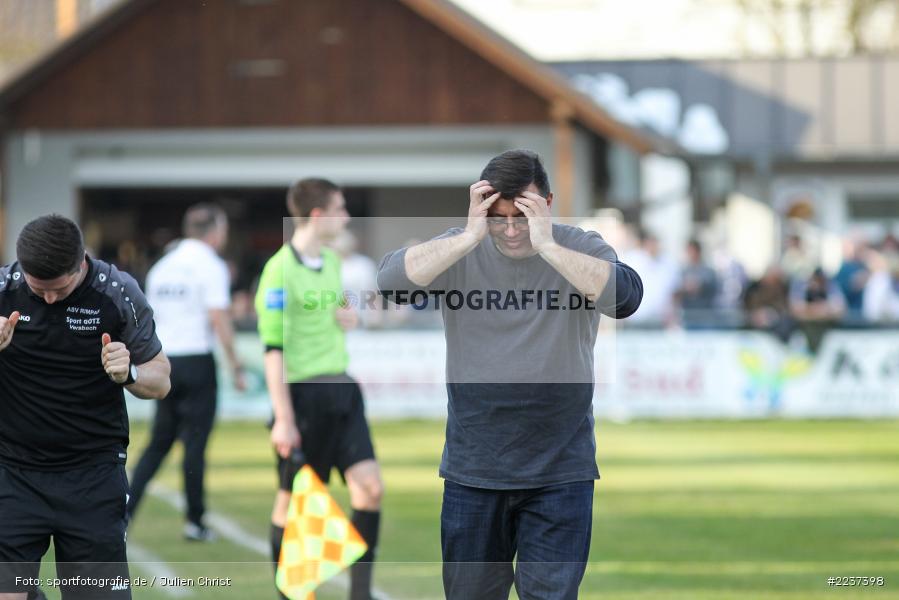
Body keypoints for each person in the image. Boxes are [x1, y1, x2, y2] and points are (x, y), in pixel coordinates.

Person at [377, 149, 643, 600]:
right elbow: (389, 284)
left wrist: (549, 246)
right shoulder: (459, 247)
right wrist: (468, 236)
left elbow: (626, 297)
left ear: (548, 202)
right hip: (474, 470)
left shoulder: (580, 246)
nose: (512, 229)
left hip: (561, 469)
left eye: (523, 214)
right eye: (499, 217)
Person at [0, 214, 171, 600]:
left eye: (58, 290)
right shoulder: (2, 290)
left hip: (92, 474)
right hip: (12, 471)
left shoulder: (117, 291)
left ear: (81, 264)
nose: (48, 299)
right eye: (37, 288)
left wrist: (129, 374)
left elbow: (161, 380)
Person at [255, 179, 383, 600]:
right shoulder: (278, 270)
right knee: (292, 505)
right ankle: (289, 593)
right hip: (301, 398)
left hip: (343, 391)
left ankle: (359, 594)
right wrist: (284, 419)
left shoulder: (331, 261)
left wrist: (348, 316)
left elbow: (338, 309)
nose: (346, 217)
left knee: (370, 488)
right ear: (317, 216)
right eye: (340, 209)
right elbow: (272, 350)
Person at [126, 203, 246, 541]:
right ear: (214, 232)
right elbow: (218, 318)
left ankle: (125, 512)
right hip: (196, 359)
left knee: (158, 443)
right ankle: (195, 521)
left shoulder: (162, 267)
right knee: (195, 444)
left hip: (164, 360)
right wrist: (235, 364)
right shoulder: (210, 265)